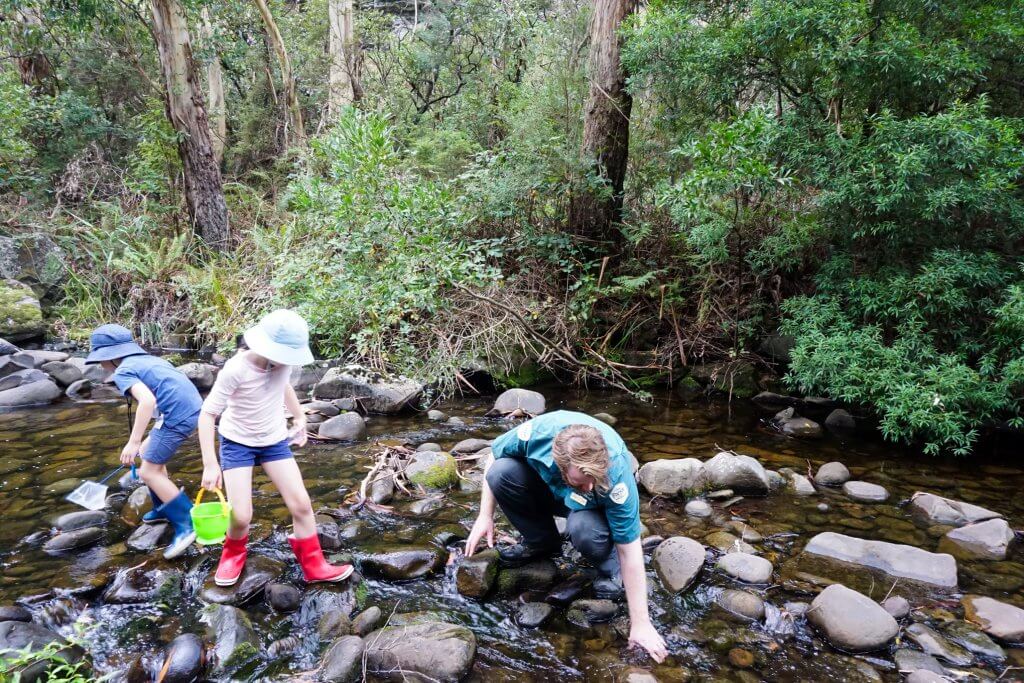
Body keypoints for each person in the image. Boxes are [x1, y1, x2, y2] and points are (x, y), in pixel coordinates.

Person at [466, 410, 668, 663]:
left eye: (594, 478)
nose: (591, 486)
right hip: (552, 488)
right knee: (501, 472)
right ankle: (541, 542)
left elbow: (631, 549)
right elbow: (494, 456)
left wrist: (641, 624)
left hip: (590, 510)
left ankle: (608, 564)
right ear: (560, 463)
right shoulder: (535, 436)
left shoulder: (615, 475)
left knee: (584, 530)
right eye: (583, 480)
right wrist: (485, 515)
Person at [198, 309, 353, 587]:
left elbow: (284, 388)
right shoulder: (236, 369)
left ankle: (313, 565)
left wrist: (300, 416)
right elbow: (207, 414)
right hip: (237, 442)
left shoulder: (284, 363)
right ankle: (232, 553)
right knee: (242, 515)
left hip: (273, 441)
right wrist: (210, 463)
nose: (286, 361)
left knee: (302, 505)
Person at [85, 324, 201, 559]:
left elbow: (147, 402)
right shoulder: (148, 360)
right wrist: (146, 442)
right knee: (152, 457)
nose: (100, 364)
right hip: (192, 409)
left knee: (149, 472)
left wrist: (134, 442)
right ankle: (161, 508)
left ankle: (188, 524)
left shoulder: (123, 371)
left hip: (176, 416)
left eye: (101, 358)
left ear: (112, 356)